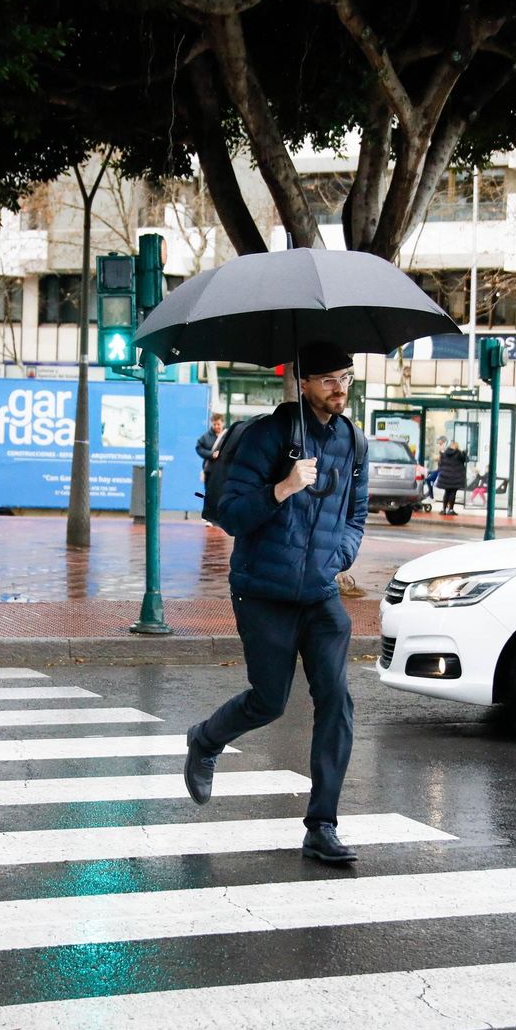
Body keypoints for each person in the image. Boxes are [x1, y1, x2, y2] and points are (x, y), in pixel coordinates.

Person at [184, 340, 369, 864]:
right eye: (330, 379)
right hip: (263, 590)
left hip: (320, 594)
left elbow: (357, 512)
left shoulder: (353, 442)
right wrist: (283, 488)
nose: (340, 389)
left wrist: (340, 555)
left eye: (347, 378)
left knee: (336, 702)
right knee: (270, 700)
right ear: (304, 383)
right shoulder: (269, 436)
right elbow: (232, 516)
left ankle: (322, 825)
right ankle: (205, 739)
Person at [437, 436, 468, 516]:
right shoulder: (458, 454)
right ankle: (451, 509)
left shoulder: (445, 454)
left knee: (447, 492)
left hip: (446, 477)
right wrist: (464, 453)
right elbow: (466, 460)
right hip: (456, 477)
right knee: (453, 493)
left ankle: (443, 509)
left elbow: (440, 464)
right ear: (457, 447)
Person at [195, 413, 225, 482]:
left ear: (223, 423)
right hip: (210, 470)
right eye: (214, 424)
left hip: (224, 470)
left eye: (218, 424)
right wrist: (211, 454)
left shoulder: (228, 435)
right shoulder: (206, 436)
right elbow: (198, 448)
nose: (216, 426)